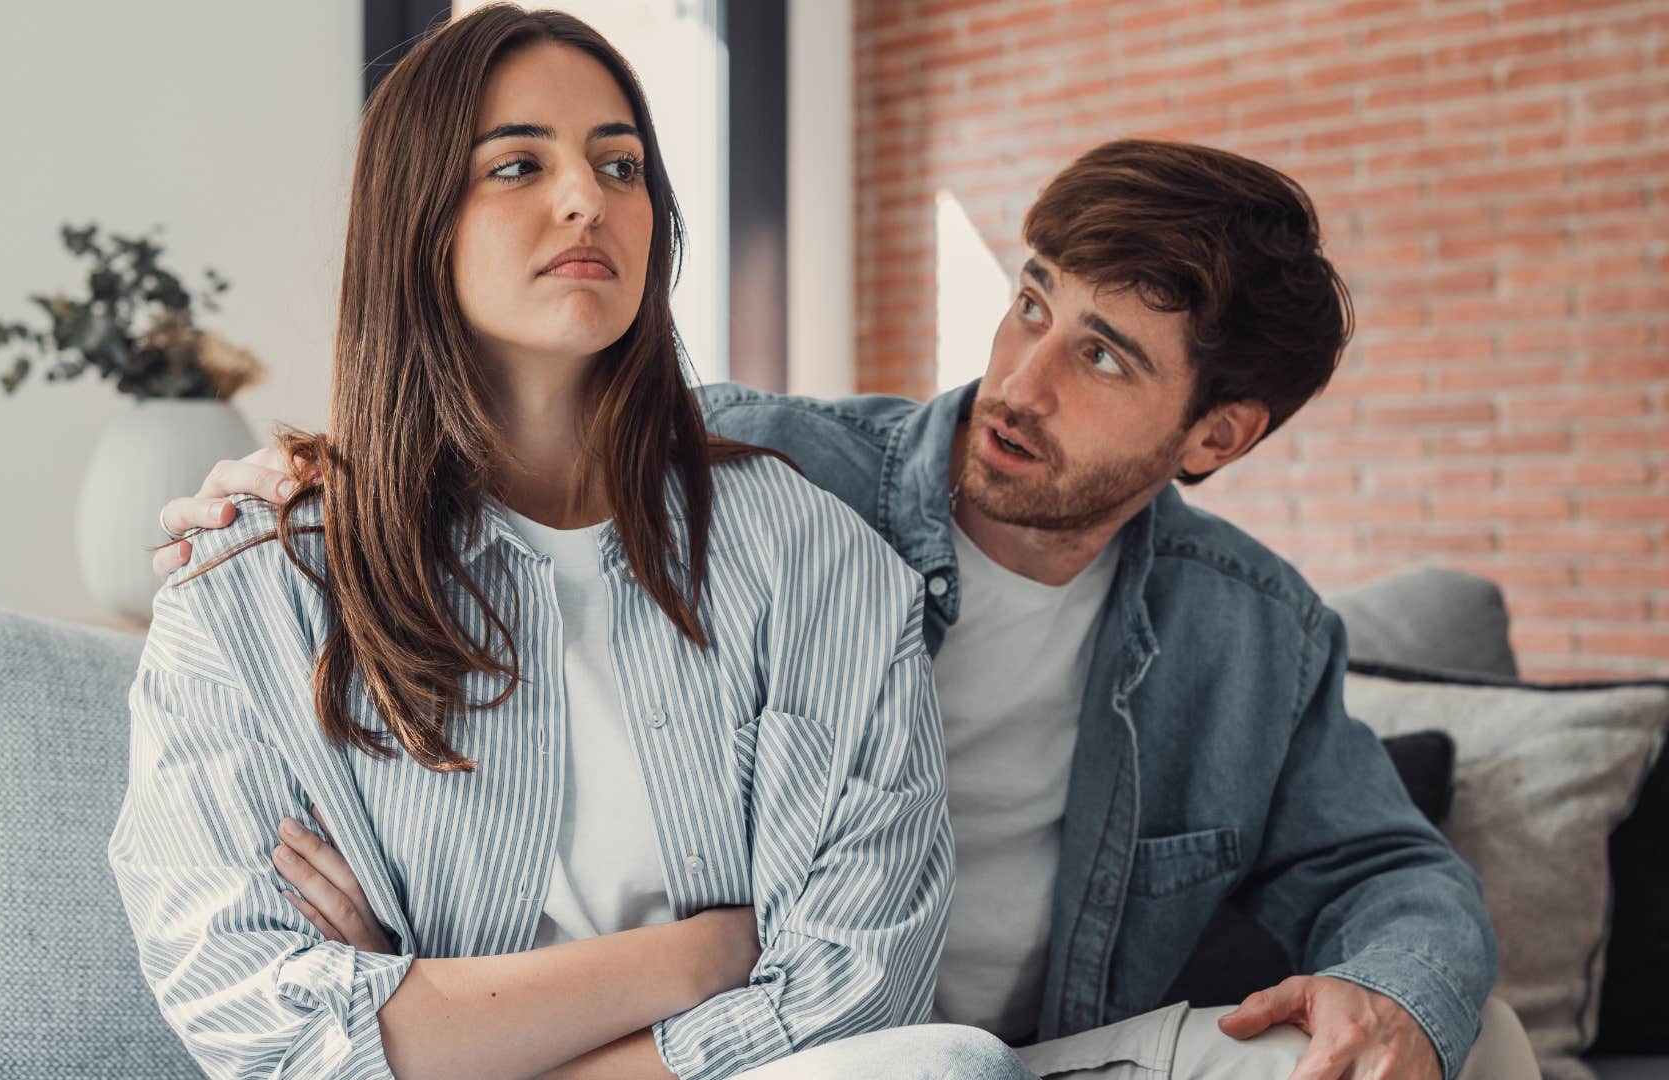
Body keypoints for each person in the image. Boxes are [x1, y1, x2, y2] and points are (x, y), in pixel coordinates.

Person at [162, 138, 1544, 1079]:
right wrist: (304, 482)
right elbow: (492, 461)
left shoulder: (1253, 633)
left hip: (1045, 1056)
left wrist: (1397, 1002)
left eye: (1105, 357)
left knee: (1474, 1031)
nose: (1021, 382)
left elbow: (1394, 875)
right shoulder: (758, 473)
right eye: (1031, 305)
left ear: (1216, 433)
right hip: (757, 1051)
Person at [107, 7, 1032, 1079]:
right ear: (419, 219)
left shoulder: (813, 559)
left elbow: (860, 986)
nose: (586, 197)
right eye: (516, 165)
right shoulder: (254, 586)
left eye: (621, 163)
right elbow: (253, 1017)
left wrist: (445, 1025)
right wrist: (706, 953)